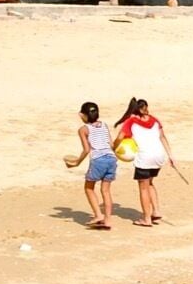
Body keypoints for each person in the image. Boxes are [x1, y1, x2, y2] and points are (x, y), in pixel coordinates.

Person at [113, 98, 174, 227]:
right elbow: (162, 137)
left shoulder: (131, 122)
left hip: (145, 157)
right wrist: (170, 155)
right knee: (150, 183)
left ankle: (146, 218)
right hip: (159, 156)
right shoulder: (154, 120)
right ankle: (156, 211)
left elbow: (120, 138)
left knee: (143, 188)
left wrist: (114, 148)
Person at [74, 102, 116, 230]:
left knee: (89, 187)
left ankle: (98, 215)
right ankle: (108, 220)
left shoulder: (83, 129)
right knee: (106, 190)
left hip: (98, 160)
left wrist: (77, 162)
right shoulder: (104, 125)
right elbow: (112, 144)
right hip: (111, 158)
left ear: (83, 115)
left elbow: (86, 150)